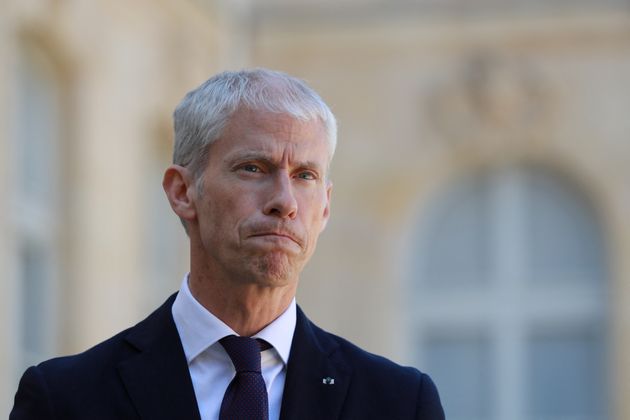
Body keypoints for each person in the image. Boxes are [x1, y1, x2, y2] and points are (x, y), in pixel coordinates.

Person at [10, 69, 444, 420]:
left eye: (305, 176)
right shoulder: (65, 400)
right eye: (254, 168)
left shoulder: (400, 403)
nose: (285, 202)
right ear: (182, 191)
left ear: (325, 207)